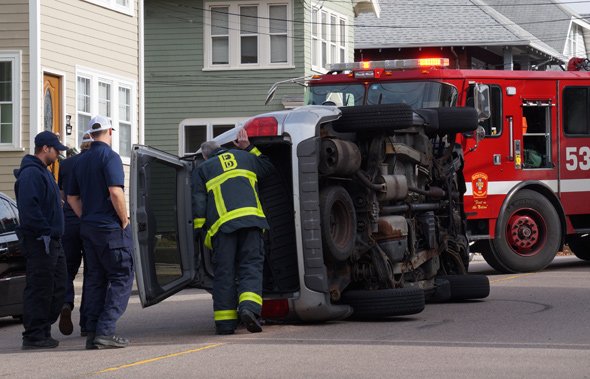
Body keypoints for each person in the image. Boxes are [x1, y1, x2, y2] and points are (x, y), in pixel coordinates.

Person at [192, 128, 273, 335]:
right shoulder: (245, 157)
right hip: (252, 222)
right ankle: (248, 309)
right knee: (251, 267)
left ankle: (226, 324)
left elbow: (199, 203)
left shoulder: (203, 169)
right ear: (222, 149)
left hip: (223, 229)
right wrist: (249, 148)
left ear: (204, 156)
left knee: (224, 274)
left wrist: (199, 231)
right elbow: (268, 167)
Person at [67, 115, 133, 349]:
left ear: (90, 134)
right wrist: (124, 219)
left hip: (89, 228)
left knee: (95, 280)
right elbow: (115, 192)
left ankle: (92, 333)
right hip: (110, 229)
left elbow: (71, 197)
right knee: (122, 277)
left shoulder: (79, 161)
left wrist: (86, 216)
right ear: (110, 132)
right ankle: (105, 331)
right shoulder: (110, 157)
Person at [14, 130, 68, 349]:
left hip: (53, 239)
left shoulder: (43, 172)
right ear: (45, 149)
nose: (58, 155)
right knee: (40, 288)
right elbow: (29, 209)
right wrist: (44, 231)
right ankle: (34, 335)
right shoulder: (31, 174)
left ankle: (43, 329)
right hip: (40, 241)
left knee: (59, 286)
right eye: (56, 150)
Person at [57, 133, 93, 336]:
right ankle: (87, 322)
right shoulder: (98, 161)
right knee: (92, 272)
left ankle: (66, 303)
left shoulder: (67, 165)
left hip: (69, 222)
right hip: (90, 220)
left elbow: (63, 195)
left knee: (67, 269)